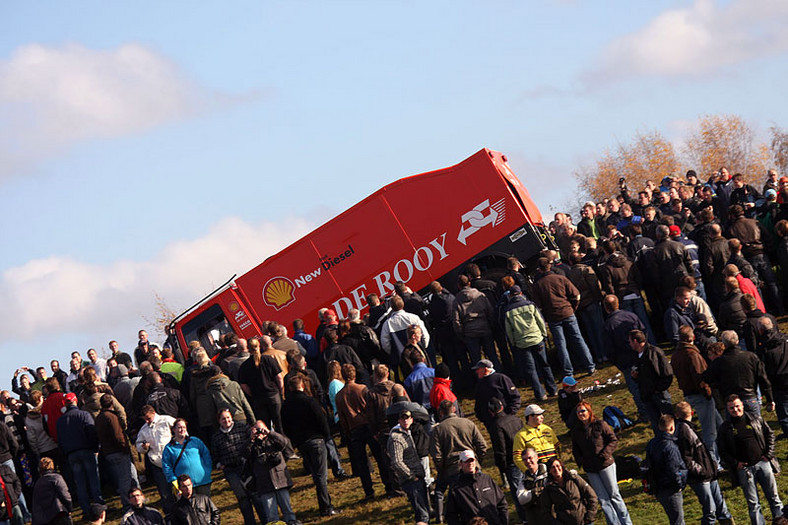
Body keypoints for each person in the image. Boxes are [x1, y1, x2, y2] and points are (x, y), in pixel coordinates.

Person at [718, 394, 783, 525]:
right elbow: (722, 450)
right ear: (727, 409)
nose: (735, 410)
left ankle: (781, 521)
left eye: (737, 406)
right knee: (753, 504)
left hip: (763, 463)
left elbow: (770, 434)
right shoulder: (725, 428)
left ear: (742, 405)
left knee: (774, 497)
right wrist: (735, 464)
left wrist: (768, 455)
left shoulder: (755, 418)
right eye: (731, 408)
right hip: (744, 469)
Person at [280, 376, 339, 518]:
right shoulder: (309, 401)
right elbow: (321, 419)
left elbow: (285, 427)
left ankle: (325, 504)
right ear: (301, 386)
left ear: (289, 388)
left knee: (315, 474)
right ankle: (326, 507)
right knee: (321, 476)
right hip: (316, 440)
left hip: (302, 443)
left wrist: (295, 441)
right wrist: (327, 436)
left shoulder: (286, 406)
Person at [530, 257, 595, 377]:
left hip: (553, 317)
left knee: (561, 345)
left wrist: (545, 317)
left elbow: (538, 307)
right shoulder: (561, 278)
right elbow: (577, 295)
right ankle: (590, 366)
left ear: (539, 269)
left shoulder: (538, 285)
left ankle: (568, 371)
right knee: (578, 339)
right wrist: (573, 307)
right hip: (568, 312)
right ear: (550, 266)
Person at [334, 363, 391, 499]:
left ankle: (369, 492)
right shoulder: (362, 389)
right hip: (368, 425)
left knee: (362, 464)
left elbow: (342, 418)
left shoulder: (339, 396)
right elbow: (370, 409)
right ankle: (388, 485)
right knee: (379, 458)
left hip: (353, 430)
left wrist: (347, 432)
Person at [571, 401, 631, 525]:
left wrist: (605, 454)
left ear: (589, 411)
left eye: (583, 411)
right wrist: (581, 462)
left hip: (605, 465)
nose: (581, 414)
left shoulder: (600, 424)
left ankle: (626, 522)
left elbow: (612, 439)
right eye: (578, 412)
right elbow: (575, 449)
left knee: (614, 495)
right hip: (591, 469)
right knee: (603, 500)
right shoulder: (576, 430)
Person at [673, 402, 733, 525]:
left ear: (676, 415)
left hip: (706, 472)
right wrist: (702, 470)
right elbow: (688, 459)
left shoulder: (684, 429)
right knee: (711, 510)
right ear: (692, 413)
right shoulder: (685, 430)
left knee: (719, 506)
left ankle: (725, 520)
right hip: (700, 475)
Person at [670, 325, 721, 464]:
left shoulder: (676, 355)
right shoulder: (692, 354)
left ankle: (725, 453)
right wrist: (708, 393)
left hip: (689, 394)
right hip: (700, 395)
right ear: (692, 337)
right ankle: (713, 462)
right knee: (709, 431)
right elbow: (700, 378)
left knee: (719, 424)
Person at [430, 400, 488, 523]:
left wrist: (442, 469)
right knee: (479, 497)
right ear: (454, 409)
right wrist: (477, 462)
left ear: (440, 413)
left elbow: (437, 455)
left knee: (459, 504)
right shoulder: (468, 423)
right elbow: (483, 446)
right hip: (473, 465)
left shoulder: (437, 430)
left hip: (451, 469)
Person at [503, 285, 558, 401]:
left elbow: (509, 330)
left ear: (510, 295)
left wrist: (513, 342)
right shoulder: (531, 305)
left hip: (522, 343)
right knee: (545, 365)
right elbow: (540, 321)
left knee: (531, 370)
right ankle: (553, 389)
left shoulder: (508, 311)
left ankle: (540, 394)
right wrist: (544, 335)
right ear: (521, 293)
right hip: (537, 338)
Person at [702, 330, 774, 417]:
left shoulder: (719, 362)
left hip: (731, 401)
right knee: (756, 426)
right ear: (737, 341)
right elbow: (762, 378)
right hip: (750, 397)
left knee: (738, 428)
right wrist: (769, 398)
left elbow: (707, 378)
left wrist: (719, 384)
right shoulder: (751, 357)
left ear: (724, 344)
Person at [56, 392, 104, 517]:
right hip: (86, 450)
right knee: (93, 479)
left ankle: (85, 508)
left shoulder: (60, 421)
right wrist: (95, 448)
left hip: (71, 453)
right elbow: (92, 432)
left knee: (80, 482)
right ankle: (99, 505)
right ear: (76, 401)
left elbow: (60, 440)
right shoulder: (84, 415)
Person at [247, 420, 303, 525]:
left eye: (261, 429)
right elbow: (243, 455)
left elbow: (286, 444)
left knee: (289, 512)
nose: (260, 432)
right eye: (257, 430)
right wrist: (251, 440)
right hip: (264, 485)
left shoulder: (273, 440)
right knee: (271, 517)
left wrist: (270, 433)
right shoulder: (252, 445)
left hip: (281, 480)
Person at [209, 409, 257, 525]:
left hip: (247, 466)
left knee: (255, 494)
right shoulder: (216, 437)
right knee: (242, 497)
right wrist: (219, 465)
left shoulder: (242, 427)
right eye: (223, 419)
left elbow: (252, 442)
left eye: (228, 417)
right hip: (231, 470)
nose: (226, 420)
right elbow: (215, 455)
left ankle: (265, 520)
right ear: (219, 421)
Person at [95, 394, 139, 510]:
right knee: (125, 479)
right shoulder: (111, 417)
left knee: (131, 474)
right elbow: (118, 435)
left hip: (108, 452)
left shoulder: (99, 418)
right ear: (112, 404)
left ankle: (138, 497)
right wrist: (125, 448)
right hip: (118, 451)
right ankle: (127, 504)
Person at [486, 398, 526, 523]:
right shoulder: (516, 419)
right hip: (524, 458)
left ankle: (525, 519)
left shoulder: (496, 426)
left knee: (518, 493)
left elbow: (500, 449)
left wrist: (503, 467)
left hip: (511, 462)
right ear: (502, 407)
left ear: (491, 412)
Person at [388, 410, 429, 525]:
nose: (406, 420)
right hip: (411, 481)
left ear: (412, 420)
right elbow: (396, 462)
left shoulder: (407, 433)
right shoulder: (396, 438)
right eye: (403, 418)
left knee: (423, 512)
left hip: (417, 478)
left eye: (408, 418)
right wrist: (411, 475)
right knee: (422, 515)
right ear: (399, 420)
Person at [445, 450, 508, 525]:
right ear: (460, 464)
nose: (470, 463)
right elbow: (451, 515)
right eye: (466, 461)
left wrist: (504, 521)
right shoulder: (455, 488)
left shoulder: (487, 479)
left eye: (472, 460)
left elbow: (502, 503)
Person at [645, 415, 688, 525]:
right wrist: (679, 485)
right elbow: (673, 471)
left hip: (658, 486)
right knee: (678, 521)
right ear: (672, 428)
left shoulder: (652, 443)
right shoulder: (670, 447)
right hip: (670, 488)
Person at [452, 274, 500, 369]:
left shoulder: (456, 301)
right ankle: (498, 376)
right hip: (484, 328)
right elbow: (490, 312)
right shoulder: (480, 295)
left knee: (476, 361)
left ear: (458, 286)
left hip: (470, 333)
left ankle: (482, 381)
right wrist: (491, 326)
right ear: (469, 283)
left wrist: (462, 334)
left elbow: (456, 321)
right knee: (492, 356)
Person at [629, 329, 673, 432]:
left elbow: (667, 373)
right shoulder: (636, 356)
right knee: (656, 425)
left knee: (670, 420)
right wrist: (635, 377)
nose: (629, 344)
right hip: (647, 396)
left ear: (635, 341)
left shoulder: (654, 353)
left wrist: (659, 389)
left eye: (630, 341)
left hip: (659, 394)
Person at [135, 405, 176, 514]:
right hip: (157, 464)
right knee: (165, 494)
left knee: (180, 489)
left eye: (148, 418)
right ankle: (170, 516)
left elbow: (182, 431)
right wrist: (143, 447)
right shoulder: (143, 430)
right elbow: (138, 445)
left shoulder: (167, 420)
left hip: (174, 462)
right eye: (145, 419)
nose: (147, 421)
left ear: (154, 413)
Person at [162, 419, 213, 496]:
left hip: (203, 481)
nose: (182, 429)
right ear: (174, 429)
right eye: (179, 427)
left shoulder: (195, 441)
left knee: (206, 505)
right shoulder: (169, 448)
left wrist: (207, 470)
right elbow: (166, 466)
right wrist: (174, 480)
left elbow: (206, 455)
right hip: (184, 486)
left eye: (184, 427)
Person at [541, 456, 598, 525]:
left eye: (558, 466)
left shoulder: (574, 478)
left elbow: (592, 496)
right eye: (553, 467)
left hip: (584, 520)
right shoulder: (548, 488)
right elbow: (545, 511)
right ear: (549, 471)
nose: (556, 469)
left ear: (562, 467)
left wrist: (590, 516)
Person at [472, 360, 520, 434]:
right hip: (490, 422)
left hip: (507, 420)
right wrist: (482, 417)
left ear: (485, 369)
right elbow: (478, 402)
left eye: (478, 369)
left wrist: (510, 413)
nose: (477, 372)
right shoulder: (479, 384)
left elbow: (514, 397)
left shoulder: (501, 378)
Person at [513, 404, 559, 469]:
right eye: (539, 414)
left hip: (555, 468)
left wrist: (559, 463)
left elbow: (557, 446)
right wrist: (527, 471)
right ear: (530, 417)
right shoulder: (520, 436)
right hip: (538, 471)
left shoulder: (548, 429)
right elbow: (517, 458)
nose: (542, 417)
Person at [31, 457, 71, 525]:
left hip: (43, 519)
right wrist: (69, 508)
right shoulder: (56, 478)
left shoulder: (38, 483)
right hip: (59, 514)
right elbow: (65, 495)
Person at [518, 447, 550, 524]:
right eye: (524, 459)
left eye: (530, 458)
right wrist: (537, 491)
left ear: (537, 458)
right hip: (534, 519)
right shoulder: (523, 479)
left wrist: (530, 496)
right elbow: (521, 499)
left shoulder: (548, 473)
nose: (528, 461)